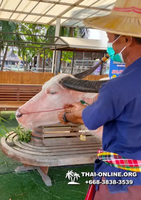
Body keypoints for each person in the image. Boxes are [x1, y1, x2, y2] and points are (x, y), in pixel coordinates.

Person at [58, 0, 141, 199]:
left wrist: (67, 116)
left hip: (125, 181)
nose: (110, 44)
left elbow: (92, 120)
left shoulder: (116, 87)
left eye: (111, 38)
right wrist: (85, 106)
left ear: (127, 39)